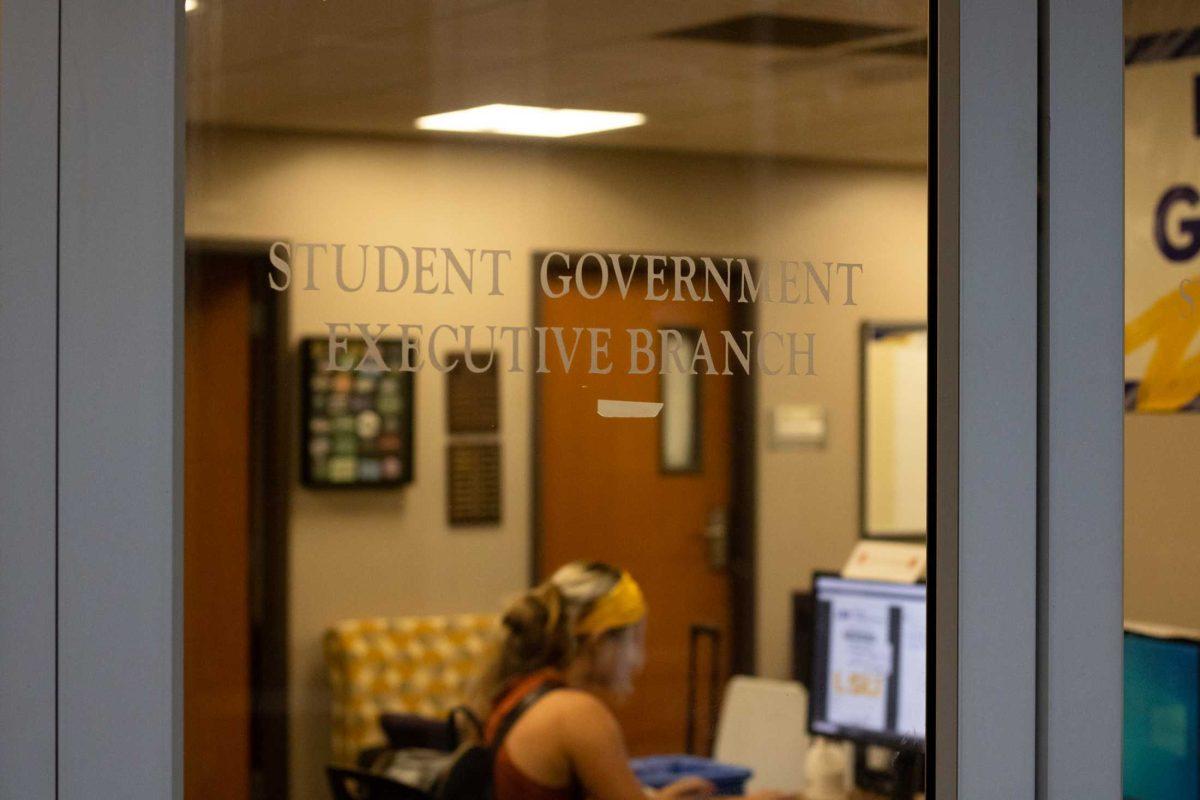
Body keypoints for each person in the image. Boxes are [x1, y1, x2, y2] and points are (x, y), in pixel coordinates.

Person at [475, 560, 796, 800]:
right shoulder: (576, 715)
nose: (638, 661)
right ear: (600, 641)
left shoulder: (520, 692)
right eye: (633, 641)